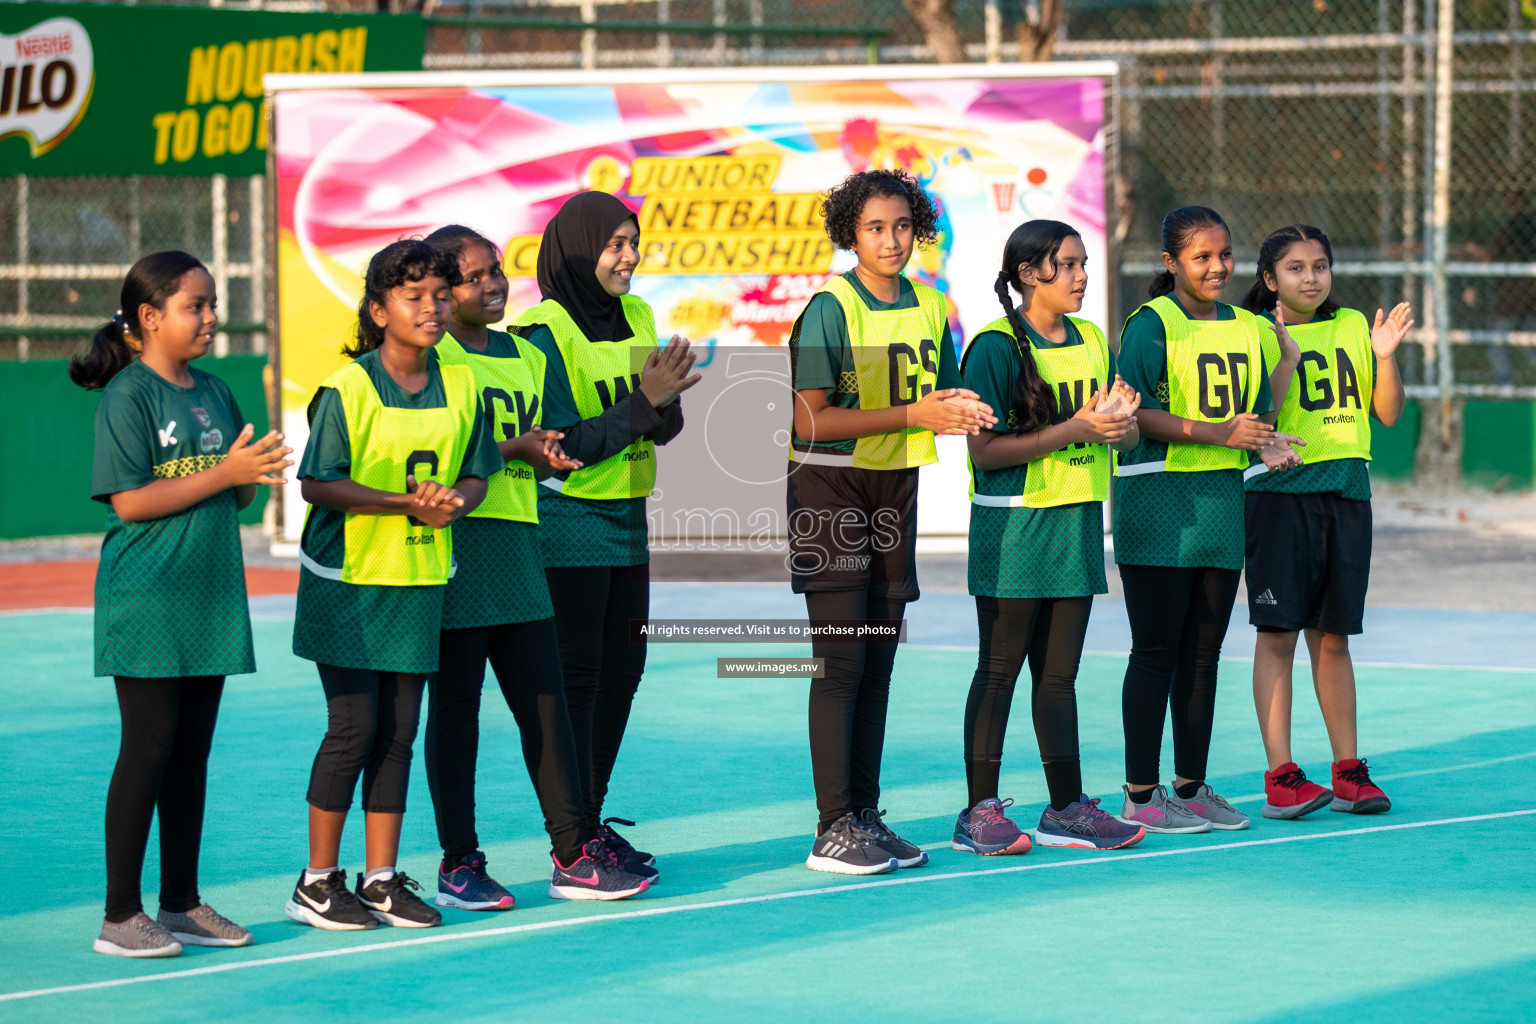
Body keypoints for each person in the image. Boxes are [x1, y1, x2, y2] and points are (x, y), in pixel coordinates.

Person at [72, 250, 291, 957]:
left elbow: (238, 492)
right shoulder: (128, 396)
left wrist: (247, 474)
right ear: (149, 317)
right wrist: (226, 471)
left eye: (213, 304)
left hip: (210, 595)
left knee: (191, 755)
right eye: (195, 305)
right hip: (148, 595)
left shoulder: (217, 391)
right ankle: (118, 915)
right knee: (148, 748)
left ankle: (180, 903)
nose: (210, 318)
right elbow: (133, 502)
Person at [423, 224, 651, 902]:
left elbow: (555, 440)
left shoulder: (524, 354)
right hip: (461, 547)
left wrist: (557, 447)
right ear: (439, 292)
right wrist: (516, 450)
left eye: (496, 269)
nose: (491, 283)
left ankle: (571, 853)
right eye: (473, 276)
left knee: (547, 706)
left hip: (524, 542)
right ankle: (458, 860)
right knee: (458, 708)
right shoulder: (431, 363)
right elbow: (444, 453)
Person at [286, 239, 501, 930]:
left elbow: (477, 471)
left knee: (400, 731)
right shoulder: (349, 386)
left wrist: (456, 503)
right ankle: (317, 882)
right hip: (347, 580)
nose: (433, 307)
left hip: (417, 577)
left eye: (441, 294)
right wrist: (404, 503)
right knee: (355, 728)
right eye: (414, 296)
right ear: (379, 310)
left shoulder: (462, 382)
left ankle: (379, 879)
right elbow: (317, 481)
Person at [787, 168, 995, 875]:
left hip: (891, 492)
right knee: (841, 662)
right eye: (876, 227)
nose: (891, 239)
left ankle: (865, 817)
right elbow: (809, 419)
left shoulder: (931, 306)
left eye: (903, 225)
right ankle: (830, 827)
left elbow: (937, 395)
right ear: (851, 233)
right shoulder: (829, 306)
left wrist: (967, 408)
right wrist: (915, 415)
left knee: (878, 661)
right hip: (828, 490)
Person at [510, 192, 695, 880]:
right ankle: (572, 843)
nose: (627, 256)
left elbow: (660, 424)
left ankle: (590, 822)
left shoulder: (638, 314)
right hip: (566, 521)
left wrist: (664, 404)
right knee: (577, 683)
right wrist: (645, 404)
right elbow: (565, 445)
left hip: (626, 518)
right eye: (614, 243)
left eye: (632, 241)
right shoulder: (542, 332)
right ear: (579, 248)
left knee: (624, 674)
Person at [956, 220, 1147, 854]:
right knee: (1000, 670)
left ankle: (1065, 806)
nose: (1081, 276)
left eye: (1083, 263)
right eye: (1066, 265)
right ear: (1027, 273)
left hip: (1076, 520)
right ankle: (978, 812)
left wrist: (1122, 431)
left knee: (1059, 677)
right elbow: (985, 451)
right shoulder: (994, 347)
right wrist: (1080, 428)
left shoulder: (1093, 338)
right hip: (1015, 526)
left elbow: (1125, 429)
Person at [1112, 206, 1303, 834]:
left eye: (1224, 255)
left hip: (1221, 502)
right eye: (1202, 257)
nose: (1218, 267)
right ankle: (1142, 794)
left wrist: (1265, 440)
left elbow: (1253, 417)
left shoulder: (1249, 327)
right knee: (1157, 651)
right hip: (1159, 499)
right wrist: (1223, 434)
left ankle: (1190, 788)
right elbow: (1136, 416)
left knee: (1204, 654)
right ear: (1171, 264)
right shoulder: (1151, 324)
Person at [1241, 224, 1410, 819]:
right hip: (1280, 496)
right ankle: (1281, 775)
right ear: (1269, 280)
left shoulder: (1352, 326)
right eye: (1295, 268)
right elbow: (1254, 418)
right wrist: (1283, 357)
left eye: (1320, 266)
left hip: (1346, 493)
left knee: (1334, 637)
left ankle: (1348, 770)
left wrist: (1383, 358)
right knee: (1279, 635)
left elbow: (1386, 413)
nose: (1310, 277)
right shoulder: (1256, 333)